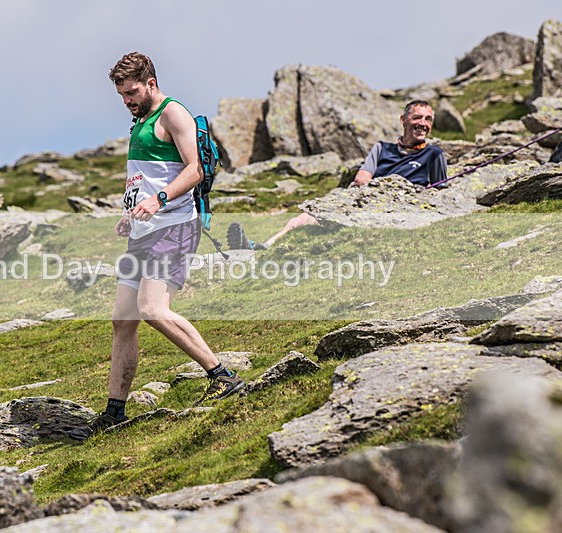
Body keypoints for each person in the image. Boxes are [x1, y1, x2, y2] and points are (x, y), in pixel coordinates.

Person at [70, 53, 245, 441]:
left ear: (150, 83)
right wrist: (131, 212)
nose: (127, 101)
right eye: (121, 95)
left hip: (175, 226)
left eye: (132, 92)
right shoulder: (140, 122)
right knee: (123, 319)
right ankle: (114, 412)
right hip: (143, 231)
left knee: (152, 309)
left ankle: (223, 376)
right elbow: (145, 177)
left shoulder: (173, 113)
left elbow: (195, 168)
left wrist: (160, 199)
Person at [227, 100, 448, 250]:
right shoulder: (382, 148)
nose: (423, 124)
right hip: (364, 204)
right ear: (403, 120)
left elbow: (440, 194)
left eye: (428, 119)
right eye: (418, 117)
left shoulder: (434, 154)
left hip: (398, 213)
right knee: (299, 220)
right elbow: (362, 178)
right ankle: (260, 247)